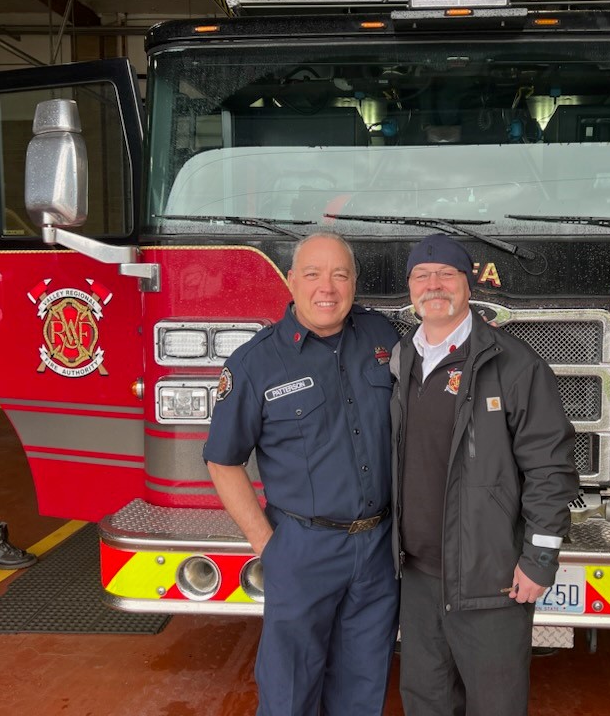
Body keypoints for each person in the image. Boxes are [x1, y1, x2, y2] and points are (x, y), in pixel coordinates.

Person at [203, 232, 399, 716]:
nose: (326, 288)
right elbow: (222, 460)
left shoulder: (384, 339)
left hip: (377, 550)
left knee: (363, 685)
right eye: (312, 274)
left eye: (339, 274)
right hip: (301, 548)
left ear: (355, 282)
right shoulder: (255, 363)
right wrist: (267, 545)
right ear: (291, 281)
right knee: (290, 691)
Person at [390, 233, 579, 716]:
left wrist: (539, 558)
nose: (434, 286)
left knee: (496, 705)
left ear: (468, 285)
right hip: (416, 577)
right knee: (425, 702)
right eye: (422, 276)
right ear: (410, 288)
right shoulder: (397, 361)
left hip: (490, 579)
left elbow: (550, 466)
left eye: (446, 275)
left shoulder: (515, 365)